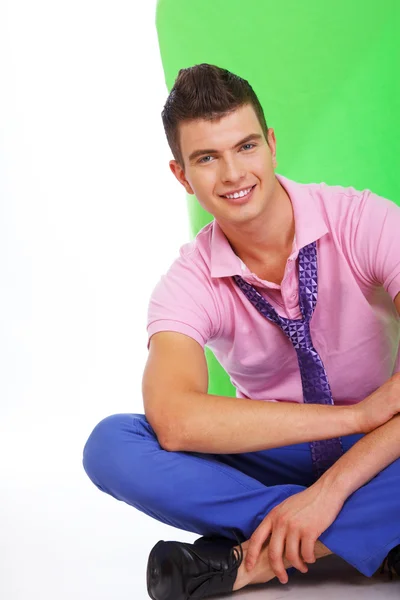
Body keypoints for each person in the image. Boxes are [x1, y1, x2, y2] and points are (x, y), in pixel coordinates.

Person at [82, 63, 400, 600]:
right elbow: (176, 421)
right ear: (181, 174)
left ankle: (250, 559)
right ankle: (364, 530)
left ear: (272, 144)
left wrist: (331, 489)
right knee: (111, 445)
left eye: (246, 147)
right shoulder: (188, 282)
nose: (233, 174)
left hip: (385, 443)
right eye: (207, 158)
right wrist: (353, 414)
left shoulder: (363, 220)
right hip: (278, 449)